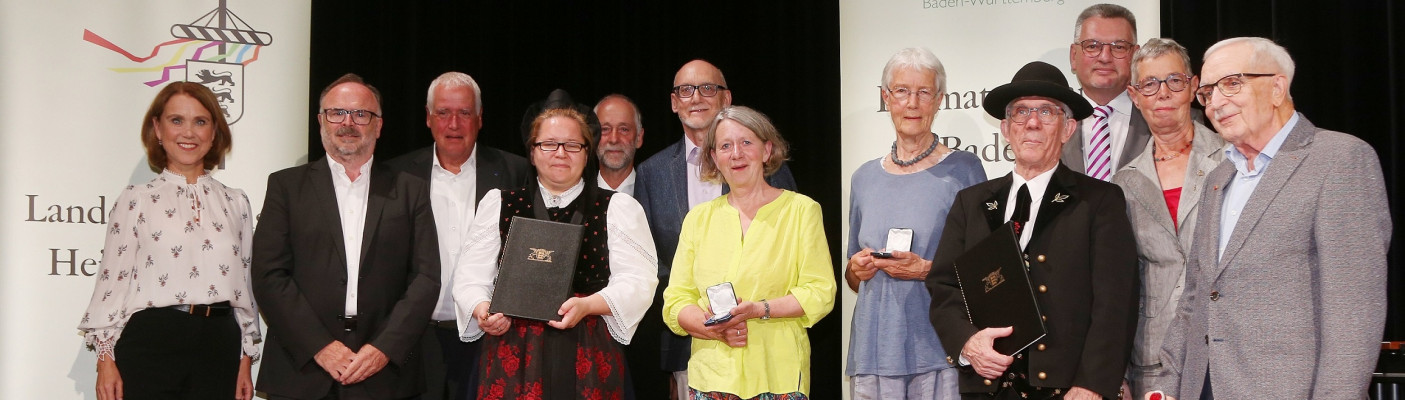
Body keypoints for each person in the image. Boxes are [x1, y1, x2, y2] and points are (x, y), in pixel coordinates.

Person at [1143, 37, 1390, 400]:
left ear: (1277, 87)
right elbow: (1196, 299)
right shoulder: (1218, 178)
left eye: (1232, 84)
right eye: (1208, 92)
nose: (1216, 103)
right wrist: (1165, 387)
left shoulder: (1340, 159)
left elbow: (1353, 313)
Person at [925, 61, 1138, 400]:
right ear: (1006, 129)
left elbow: (1116, 304)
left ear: (1068, 129)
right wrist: (968, 342)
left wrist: (1093, 384)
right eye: (1021, 112)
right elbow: (944, 286)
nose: (1033, 123)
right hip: (988, 389)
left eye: (1047, 112)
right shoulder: (971, 202)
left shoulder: (1099, 201)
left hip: (1068, 390)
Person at [252, 73, 441, 400]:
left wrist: (384, 348)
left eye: (361, 114)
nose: (348, 123)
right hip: (304, 370)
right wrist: (320, 347)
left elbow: (426, 277)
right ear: (320, 121)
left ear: (378, 125)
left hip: (384, 373)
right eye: (336, 113)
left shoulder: (411, 190)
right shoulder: (285, 187)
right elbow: (269, 275)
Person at [452, 107, 659, 399]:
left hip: (588, 348)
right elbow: (470, 276)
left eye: (573, 145)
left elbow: (639, 280)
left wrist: (588, 306)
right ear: (533, 152)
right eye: (548, 144)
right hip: (512, 349)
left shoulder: (617, 208)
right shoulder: (501, 204)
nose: (560, 153)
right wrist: (482, 310)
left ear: (587, 153)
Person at [78, 81, 260, 400]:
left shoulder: (236, 202)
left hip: (219, 344)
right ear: (158, 129)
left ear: (214, 132)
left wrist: (245, 360)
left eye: (200, 121)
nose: (188, 132)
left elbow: (245, 283)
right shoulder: (136, 199)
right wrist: (105, 360)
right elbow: (113, 280)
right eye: (176, 120)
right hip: (152, 340)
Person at [634, 59, 798, 399]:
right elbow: (649, 259)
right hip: (690, 343)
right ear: (673, 102)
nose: (697, 98)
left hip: (763, 342)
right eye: (685, 90)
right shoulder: (652, 172)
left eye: (708, 88)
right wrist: (700, 317)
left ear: (726, 99)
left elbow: (792, 256)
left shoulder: (767, 168)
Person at [662, 105, 837, 399]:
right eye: (726, 146)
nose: (736, 154)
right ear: (714, 158)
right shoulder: (698, 219)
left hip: (778, 377)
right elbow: (676, 300)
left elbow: (820, 292)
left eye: (746, 143)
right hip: (711, 378)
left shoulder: (801, 211)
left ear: (767, 150)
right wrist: (712, 329)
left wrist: (760, 309)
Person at [844, 48, 986, 400]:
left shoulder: (964, 170)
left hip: (938, 347)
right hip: (874, 351)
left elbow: (984, 266)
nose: (912, 103)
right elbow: (851, 278)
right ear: (885, 97)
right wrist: (856, 269)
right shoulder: (863, 177)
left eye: (923, 92)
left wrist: (925, 269)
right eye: (902, 91)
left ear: (939, 101)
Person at [386, 71, 531, 400]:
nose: (453, 124)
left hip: (487, 336)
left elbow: (525, 255)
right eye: (443, 112)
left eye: (464, 113)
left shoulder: (515, 172)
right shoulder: (397, 175)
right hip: (414, 339)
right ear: (428, 118)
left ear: (479, 119)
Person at [1108, 38, 1224, 398]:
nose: (1163, 93)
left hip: (1226, 351)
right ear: (1134, 95)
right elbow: (1121, 284)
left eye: (1174, 81)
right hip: (1154, 358)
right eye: (1149, 84)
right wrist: (1119, 372)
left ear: (1192, 88)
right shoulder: (1123, 183)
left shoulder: (1232, 160)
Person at [1060, 3, 1151, 181]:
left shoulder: (1166, 120)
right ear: (1073, 56)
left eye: (1119, 47)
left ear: (1136, 56)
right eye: (1092, 46)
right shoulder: (1053, 125)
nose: (1105, 57)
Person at [595, 94, 645, 196]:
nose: (614, 139)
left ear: (639, 137)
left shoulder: (657, 196)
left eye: (624, 129)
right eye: (605, 129)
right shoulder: (576, 200)